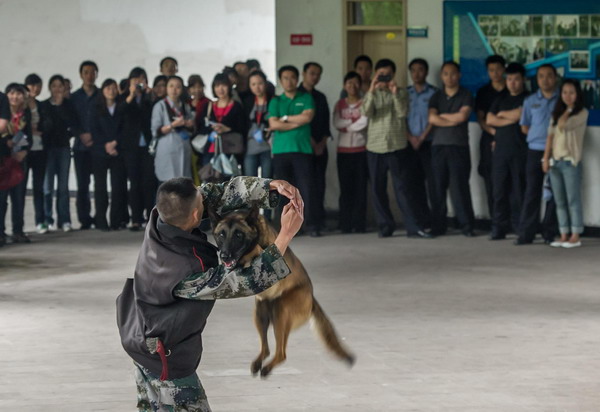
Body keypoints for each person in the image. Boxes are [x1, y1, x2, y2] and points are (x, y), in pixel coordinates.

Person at [116, 176, 304, 412]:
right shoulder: (183, 272)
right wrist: (285, 235)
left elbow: (217, 193)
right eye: (201, 202)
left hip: (142, 338)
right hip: (164, 358)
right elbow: (240, 282)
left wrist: (268, 187)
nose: (206, 200)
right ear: (196, 216)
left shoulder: (162, 212)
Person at [361, 58, 431, 239]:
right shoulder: (371, 94)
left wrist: (393, 92)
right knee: (378, 189)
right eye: (381, 75)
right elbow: (366, 113)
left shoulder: (401, 93)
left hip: (397, 146)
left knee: (403, 188)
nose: (384, 78)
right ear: (376, 75)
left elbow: (402, 113)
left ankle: (412, 227)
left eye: (387, 75)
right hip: (375, 146)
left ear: (393, 75)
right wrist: (371, 89)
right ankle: (385, 226)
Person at [268, 65, 319, 236]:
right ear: (280, 81)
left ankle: (311, 226)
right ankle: (285, 229)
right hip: (281, 151)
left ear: (297, 79)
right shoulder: (276, 101)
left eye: (292, 77)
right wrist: (297, 123)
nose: (289, 81)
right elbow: (273, 124)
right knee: (283, 191)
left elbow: (308, 117)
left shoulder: (306, 97)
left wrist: (284, 120)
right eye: (285, 78)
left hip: (302, 150)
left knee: (306, 189)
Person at [428, 61, 476, 237]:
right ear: (441, 76)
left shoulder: (465, 94)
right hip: (438, 147)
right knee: (438, 189)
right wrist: (451, 119)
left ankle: (467, 226)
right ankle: (438, 226)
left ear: (459, 75)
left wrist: (442, 117)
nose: (450, 77)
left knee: (460, 188)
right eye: (446, 74)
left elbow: (462, 117)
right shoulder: (436, 96)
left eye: (453, 73)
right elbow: (432, 119)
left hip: (458, 147)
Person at [515, 64, 559, 245]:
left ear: (555, 78)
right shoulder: (530, 100)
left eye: (549, 76)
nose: (545, 80)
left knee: (554, 193)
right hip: (534, 150)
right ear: (537, 79)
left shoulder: (561, 100)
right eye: (541, 76)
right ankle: (526, 233)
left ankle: (549, 233)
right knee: (532, 191)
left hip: (557, 152)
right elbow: (524, 126)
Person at [543, 79, 588, 248]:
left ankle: (575, 235)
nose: (568, 96)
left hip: (570, 162)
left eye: (572, 93)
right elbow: (550, 136)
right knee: (559, 200)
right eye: (564, 93)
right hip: (556, 162)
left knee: (573, 200)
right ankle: (563, 234)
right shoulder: (556, 113)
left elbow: (563, 125)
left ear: (577, 95)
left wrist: (568, 109)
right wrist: (545, 158)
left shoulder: (581, 113)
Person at [486, 62, 528, 240]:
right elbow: (489, 119)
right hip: (500, 152)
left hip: (520, 151)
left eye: (516, 79)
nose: (512, 83)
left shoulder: (529, 98)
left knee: (519, 191)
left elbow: (522, 115)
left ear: (523, 80)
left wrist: (502, 115)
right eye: (509, 79)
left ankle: (520, 227)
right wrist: (511, 117)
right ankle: (499, 228)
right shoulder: (501, 98)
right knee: (499, 191)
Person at [39, 75, 78, 232]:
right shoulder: (44, 106)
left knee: (63, 188)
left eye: (60, 86)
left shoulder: (69, 105)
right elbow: (44, 126)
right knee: (47, 187)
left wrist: (61, 105)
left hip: (63, 148)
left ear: (64, 88)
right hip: (48, 149)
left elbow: (73, 124)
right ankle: (47, 219)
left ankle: (65, 220)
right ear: (50, 88)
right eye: (54, 85)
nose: (57, 89)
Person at [120, 67, 156, 230]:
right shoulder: (124, 97)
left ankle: (150, 216)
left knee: (148, 182)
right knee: (134, 182)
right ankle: (135, 218)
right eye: (136, 80)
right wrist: (131, 95)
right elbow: (120, 113)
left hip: (147, 146)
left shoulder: (149, 98)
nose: (139, 83)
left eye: (142, 80)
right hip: (131, 146)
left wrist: (150, 95)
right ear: (130, 82)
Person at [90, 79, 128, 231]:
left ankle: (115, 220)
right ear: (103, 90)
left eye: (114, 88)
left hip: (117, 151)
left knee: (117, 187)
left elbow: (125, 128)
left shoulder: (121, 107)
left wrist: (115, 143)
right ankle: (101, 220)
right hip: (100, 151)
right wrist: (106, 144)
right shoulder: (95, 107)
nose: (111, 91)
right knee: (100, 187)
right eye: (108, 88)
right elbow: (94, 129)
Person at [333, 71, 368, 233]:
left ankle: (359, 224)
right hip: (344, 153)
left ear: (360, 85)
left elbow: (365, 122)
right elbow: (337, 123)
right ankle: (345, 224)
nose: (352, 86)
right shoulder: (339, 104)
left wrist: (347, 125)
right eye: (349, 83)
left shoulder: (365, 103)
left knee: (361, 189)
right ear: (344, 86)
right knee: (345, 189)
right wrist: (353, 122)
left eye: (355, 83)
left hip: (361, 151)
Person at [299, 62, 331, 234]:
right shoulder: (297, 95)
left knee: (320, 185)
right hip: (303, 147)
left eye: (318, 74)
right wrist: (312, 142)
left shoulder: (321, 97)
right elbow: (301, 123)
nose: (315, 77)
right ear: (304, 74)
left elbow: (326, 123)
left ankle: (319, 221)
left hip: (321, 147)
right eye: (312, 73)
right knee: (306, 186)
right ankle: (307, 224)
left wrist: (322, 143)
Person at [407, 58, 437, 230]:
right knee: (414, 184)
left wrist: (422, 137)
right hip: (410, 144)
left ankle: (434, 221)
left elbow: (434, 119)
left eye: (420, 70)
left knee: (433, 184)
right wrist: (410, 137)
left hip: (428, 143)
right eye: (413, 70)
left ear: (426, 72)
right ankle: (419, 221)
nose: (417, 73)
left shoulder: (433, 92)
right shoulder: (405, 93)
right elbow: (401, 118)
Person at [475, 55, 506, 219]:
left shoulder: (512, 90)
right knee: (490, 181)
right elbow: (481, 118)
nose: (495, 73)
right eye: (491, 70)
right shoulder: (483, 92)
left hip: (509, 141)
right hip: (488, 139)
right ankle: (496, 220)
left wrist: (502, 136)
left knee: (510, 181)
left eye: (498, 69)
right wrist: (494, 133)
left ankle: (511, 221)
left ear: (504, 70)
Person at [0, 83, 31, 245]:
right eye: (11, 93)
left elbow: (29, 137)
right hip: (4, 159)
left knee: (19, 198)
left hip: (19, 161)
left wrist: (24, 151)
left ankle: (18, 231)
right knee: (1, 199)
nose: (15, 97)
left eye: (18, 94)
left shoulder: (25, 115)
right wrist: (7, 142)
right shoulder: (2, 112)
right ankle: (1, 233)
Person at [70, 60, 99, 230]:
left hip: (97, 147)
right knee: (82, 185)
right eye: (86, 72)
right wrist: (81, 134)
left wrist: (94, 135)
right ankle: (84, 218)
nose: (89, 75)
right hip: (80, 147)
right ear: (81, 75)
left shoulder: (102, 95)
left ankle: (100, 216)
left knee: (99, 184)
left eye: (93, 72)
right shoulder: (74, 97)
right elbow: (71, 120)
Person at [151, 75, 195, 183]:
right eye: (171, 86)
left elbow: (192, 129)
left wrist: (189, 124)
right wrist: (172, 125)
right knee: (167, 184)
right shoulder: (160, 106)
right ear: (166, 88)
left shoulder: (185, 106)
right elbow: (156, 131)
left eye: (178, 87)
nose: (174, 90)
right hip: (167, 149)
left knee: (183, 183)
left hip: (183, 148)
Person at [196, 73, 246, 166]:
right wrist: (212, 129)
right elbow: (200, 127)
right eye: (217, 85)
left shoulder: (236, 106)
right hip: (210, 149)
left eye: (224, 85)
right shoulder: (208, 106)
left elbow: (243, 128)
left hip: (230, 149)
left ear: (229, 87)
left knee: (228, 179)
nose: (220, 89)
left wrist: (227, 129)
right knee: (208, 179)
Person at [24, 73, 48, 234]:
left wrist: (39, 130)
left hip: (40, 150)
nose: (35, 89)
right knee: (20, 188)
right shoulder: (20, 105)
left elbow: (48, 125)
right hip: (24, 151)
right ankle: (19, 226)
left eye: (38, 86)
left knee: (39, 188)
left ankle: (40, 221)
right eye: (32, 85)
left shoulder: (41, 105)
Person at [243, 71, 273, 184]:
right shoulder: (247, 102)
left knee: (268, 182)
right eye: (253, 84)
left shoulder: (272, 100)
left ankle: (267, 202)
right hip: (250, 146)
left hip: (268, 147)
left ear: (265, 83)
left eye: (260, 83)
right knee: (250, 182)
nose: (257, 87)